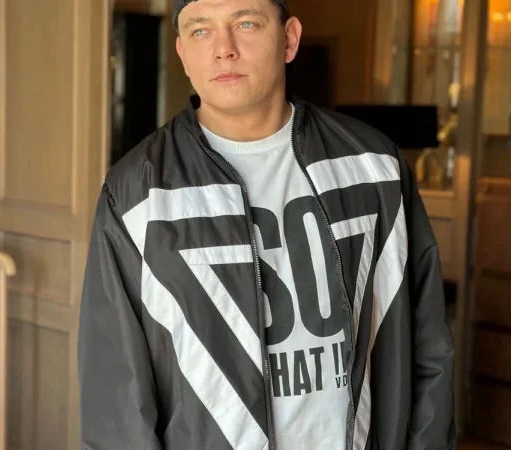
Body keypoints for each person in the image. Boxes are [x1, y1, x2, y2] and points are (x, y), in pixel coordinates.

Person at [77, 0, 456, 448]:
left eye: (246, 23)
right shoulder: (137, 194)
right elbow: (115, 396)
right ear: (182, 52)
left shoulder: (375, 168)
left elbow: (428, 347)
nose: (223, 48)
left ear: (289, 39)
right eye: (200, 30)